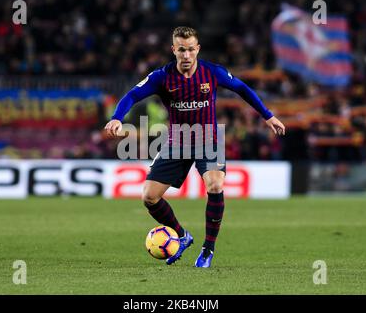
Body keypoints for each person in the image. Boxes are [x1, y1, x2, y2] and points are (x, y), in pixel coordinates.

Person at [105, 26, 285, 267]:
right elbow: (132, 95)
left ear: (197, 49)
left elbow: (243, 88)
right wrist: (118, 117)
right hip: (177, 141)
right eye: (181, 50)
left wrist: (268, 116)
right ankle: (182, 235)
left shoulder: (213, 72)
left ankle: (208, 250)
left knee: (215, 184)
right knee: (149, 197)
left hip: (207, 139)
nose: (187, 55)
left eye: (191, 50)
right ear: (174, 50)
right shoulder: (162, 77)